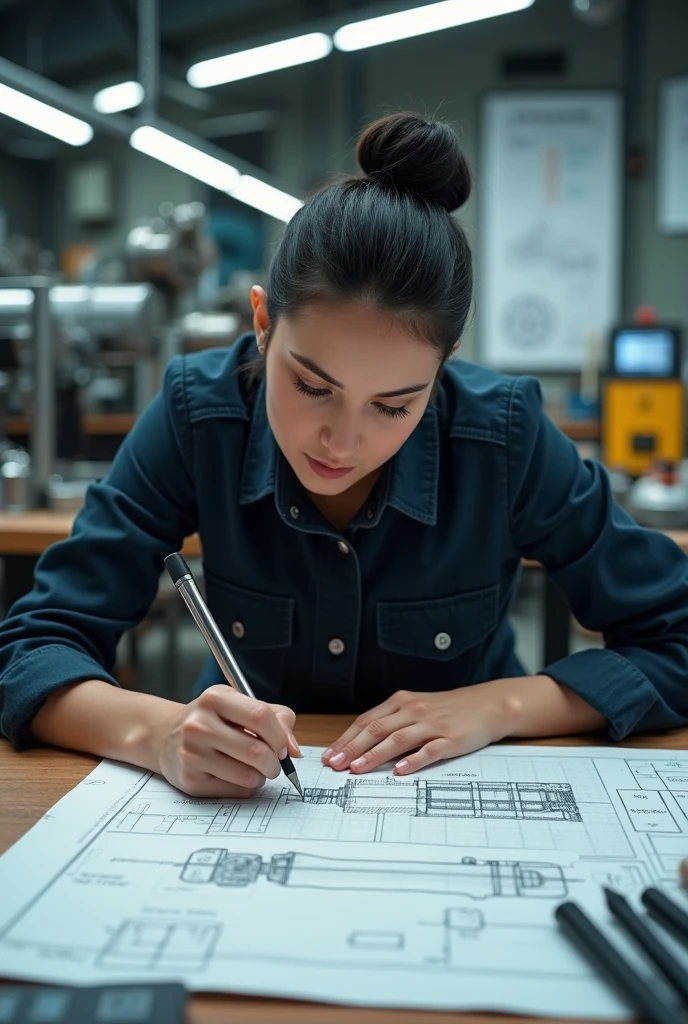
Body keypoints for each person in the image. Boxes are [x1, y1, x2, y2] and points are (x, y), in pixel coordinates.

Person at [1, 112, 687, 799]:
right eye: (311, 385)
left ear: (444, 365)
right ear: (263, 323)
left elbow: (674, 636)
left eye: (393, 405)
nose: (341, 441)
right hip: (237, 806)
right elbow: (32, 650)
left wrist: (503, 705)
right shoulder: (196, 413)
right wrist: (157, 733)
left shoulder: (502, 434)